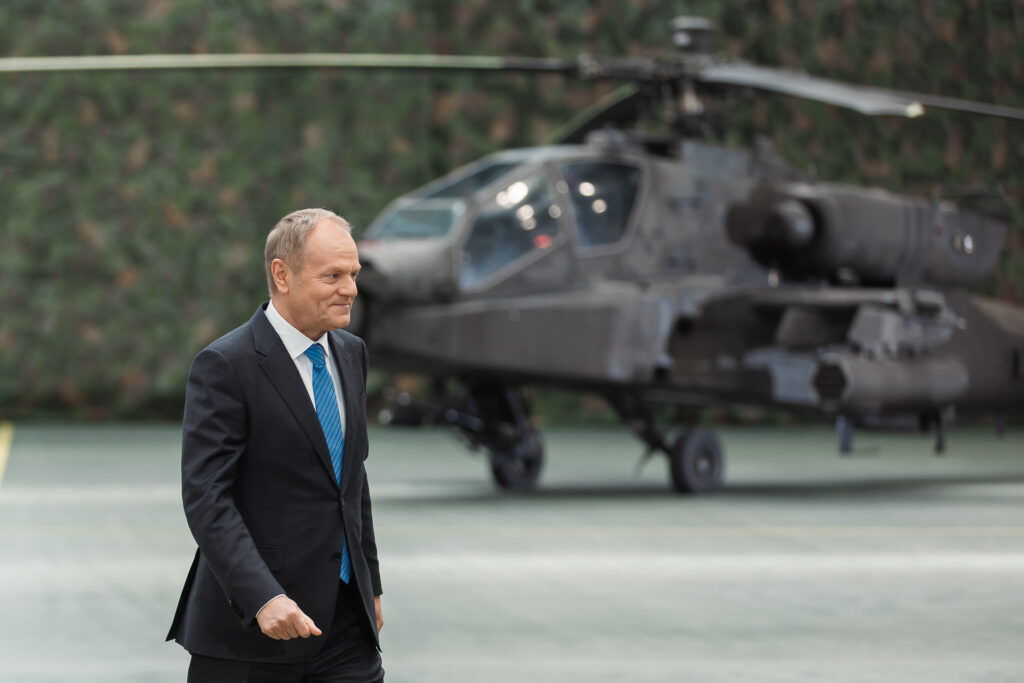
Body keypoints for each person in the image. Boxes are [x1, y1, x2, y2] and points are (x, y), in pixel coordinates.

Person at [167, 208, 384, 682]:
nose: (349, 289)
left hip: (346, 629)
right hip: (250, 637)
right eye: (333, 275)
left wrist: (371, 582)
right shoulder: (226, 364)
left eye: (353, 274)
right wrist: (262, 596)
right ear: (281, 275)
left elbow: (351, 480)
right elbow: (207, 498)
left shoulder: (351, 354)